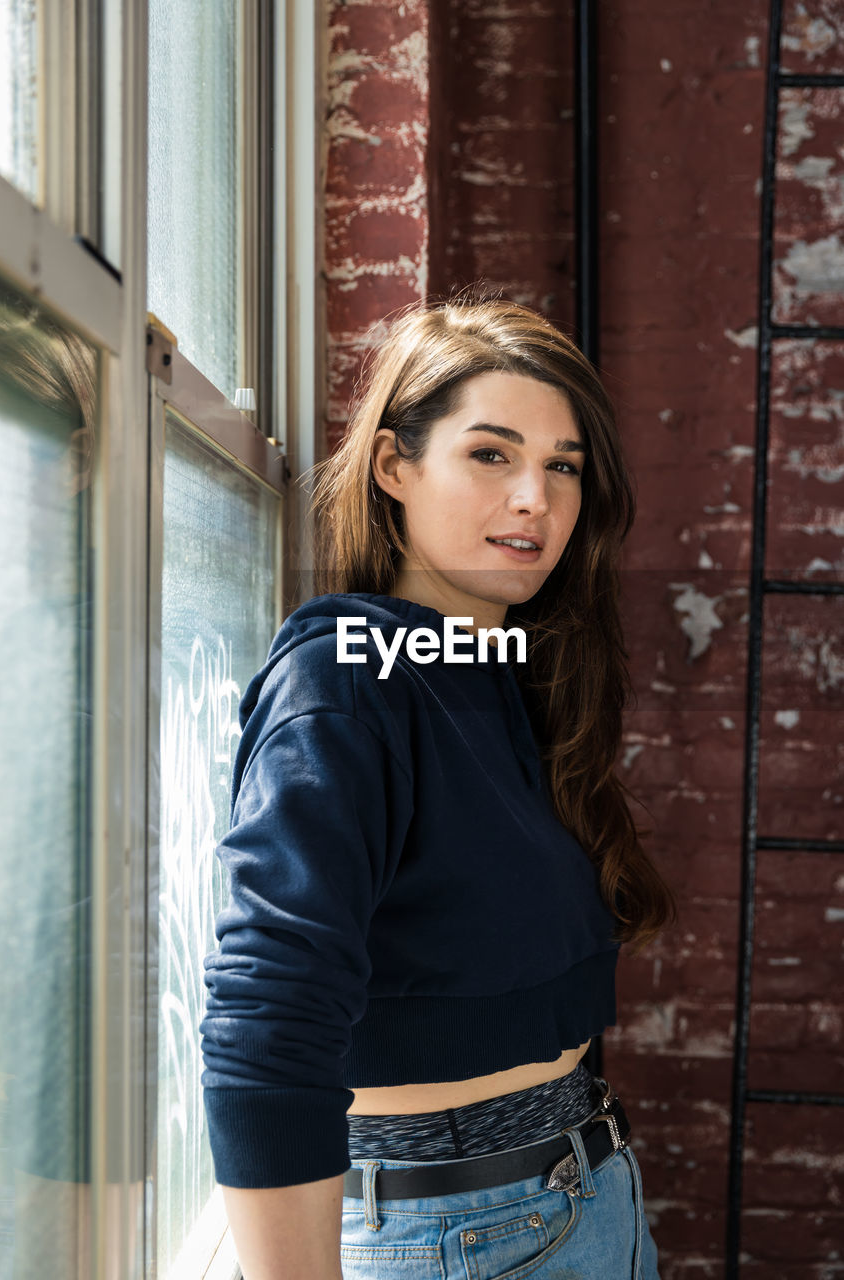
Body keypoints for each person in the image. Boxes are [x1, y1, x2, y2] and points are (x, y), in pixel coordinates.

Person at [200, 290, 677, 1279]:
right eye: (490, 453)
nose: (532, 501)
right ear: (394, 465)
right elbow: (266, 1022)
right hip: (452, 1234)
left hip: (585, 1193)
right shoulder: (347, 678)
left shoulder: (501, 671)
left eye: (562, 467)